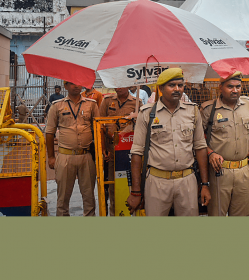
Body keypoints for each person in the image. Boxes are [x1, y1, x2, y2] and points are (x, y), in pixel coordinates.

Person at [126, 68, 210, 216]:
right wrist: (136, 191)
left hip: (187, 181)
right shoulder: (147, 113)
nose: (177, 89)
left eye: (180, 85)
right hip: (157, 181)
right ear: (161, 88)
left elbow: (200, 147)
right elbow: (137, 152)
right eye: (172, 85)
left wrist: (204, 184)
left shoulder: (193, 111)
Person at [200, 71, 249, 216]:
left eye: (238, 86)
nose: (235, 90)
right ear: (220, 87)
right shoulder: (209, 109)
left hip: (243, 171)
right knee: (217, 216)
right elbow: (197, 139)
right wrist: (210, 152)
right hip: (219, 172)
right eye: (230, 87)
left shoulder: (248, 104)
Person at [44, 80, 100, 216]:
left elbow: (99, 129)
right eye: (72, 83)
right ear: (66, 86)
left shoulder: (91, 105)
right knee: (62, 198)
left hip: (86, 156)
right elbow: (49, 133)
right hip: (65, 157)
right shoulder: (57, 106)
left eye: (79, 83)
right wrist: (51, 157)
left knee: (89, 198)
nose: (76, 85)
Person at [98, 87, 141, 216]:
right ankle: (115, 214)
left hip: (131, 152)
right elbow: (99, 125)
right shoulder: (107, 101)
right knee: (113, 187)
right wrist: (104, 149)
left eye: (122, 84)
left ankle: (134, 214)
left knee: (134, 184)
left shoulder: (137, 102)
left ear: (128, 86)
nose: (119, 88)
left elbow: (142, 125)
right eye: (116, 84)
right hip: (112, 153)